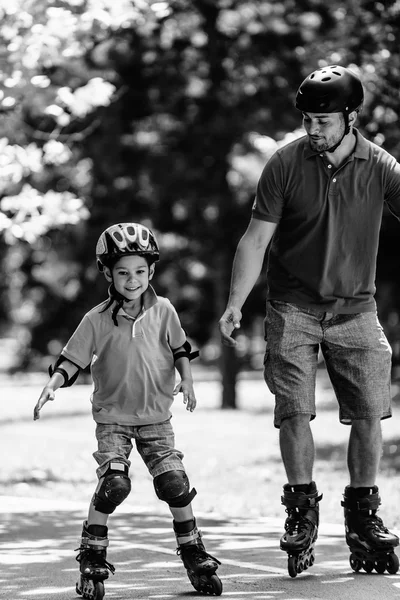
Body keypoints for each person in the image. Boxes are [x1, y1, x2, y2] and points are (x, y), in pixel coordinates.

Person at [219, 65, 400, 577]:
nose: (313, 129)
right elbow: (255, 240)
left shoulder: (381, 166)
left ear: (350, 117)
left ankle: (364, 517)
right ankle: (301, 512)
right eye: (307, 120)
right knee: (294, 411)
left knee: (369, 411)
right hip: (292, 308)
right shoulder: (284, 164)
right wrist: (236, 303)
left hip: (356, 310)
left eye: (323, 120)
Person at [34, 223, 222, 598]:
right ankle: (92, 554)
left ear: (150, 271)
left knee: (175, 485)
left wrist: (187, 380)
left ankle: (194, 551)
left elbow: (181, 349)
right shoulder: (97, 319)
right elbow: (72, 359)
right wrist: (52, 386)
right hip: (113, 420)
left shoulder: (164, 310)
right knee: (113, 485)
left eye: (139, 271)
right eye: (122, 272)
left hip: (157, 419)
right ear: (108, 273)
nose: (132, 279)